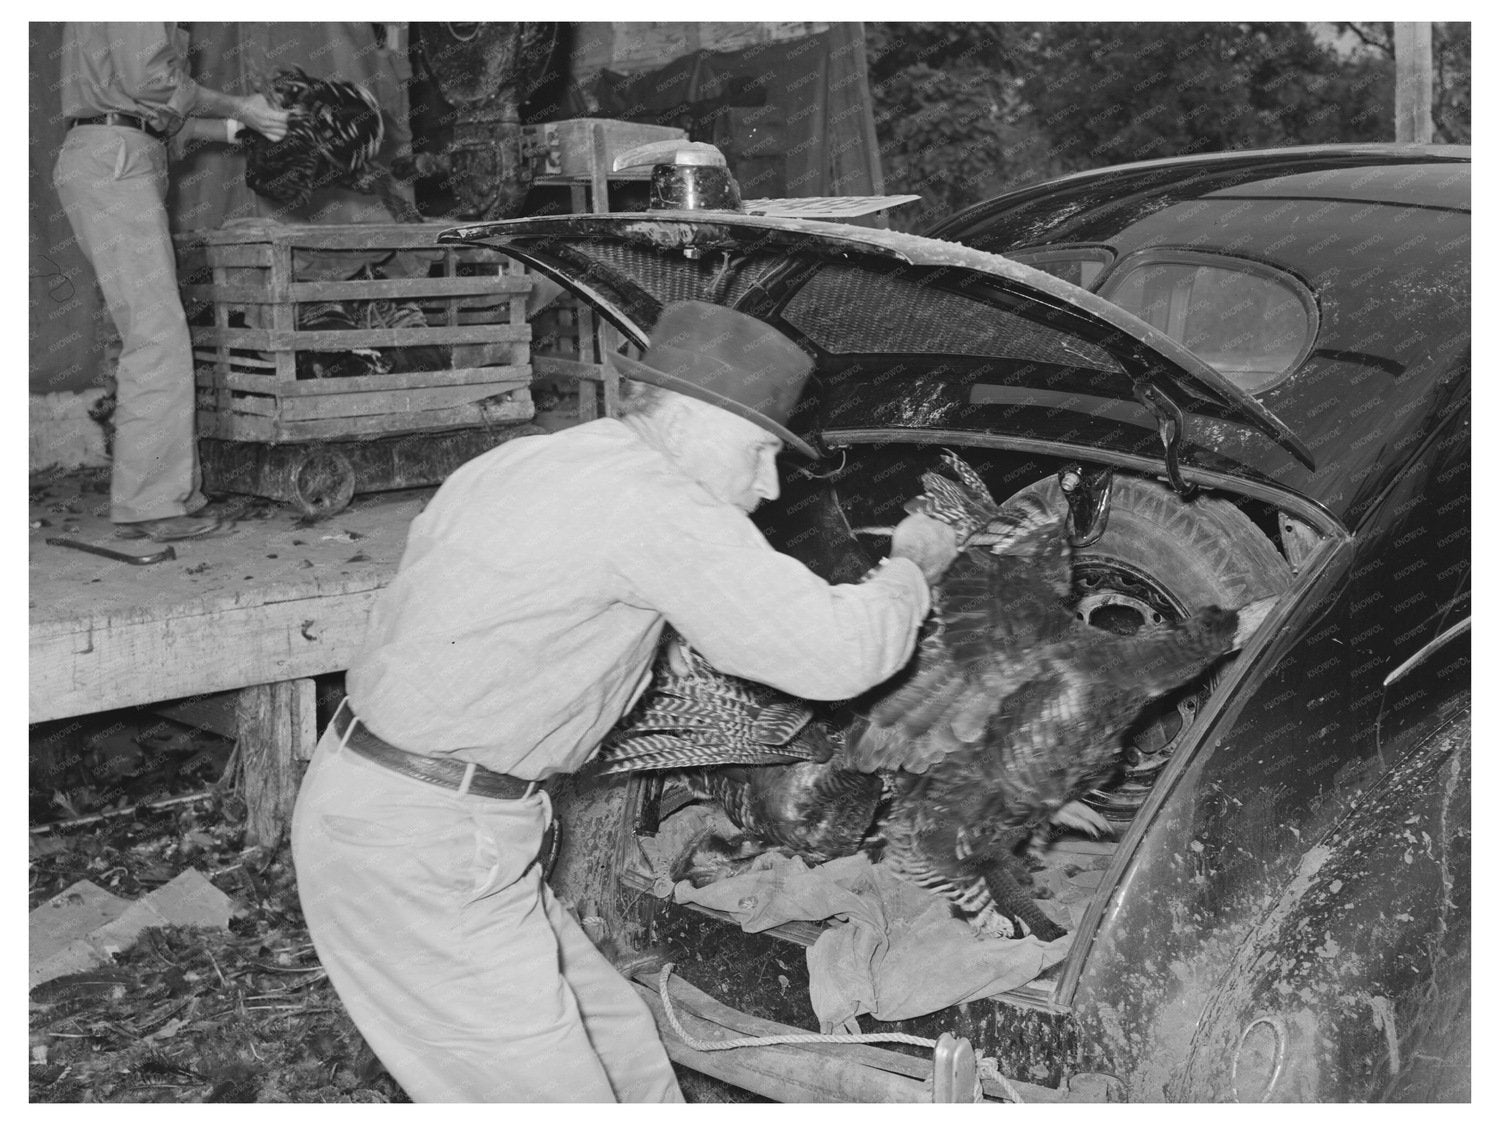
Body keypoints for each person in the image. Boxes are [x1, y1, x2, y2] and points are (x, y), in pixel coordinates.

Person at [290, 301, 961, 1102]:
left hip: (436, 813)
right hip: (422, 843)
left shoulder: (543, 461)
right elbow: (836, 653)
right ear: (693, 418)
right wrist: (912, 568)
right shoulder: (654, 501)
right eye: (759, 449)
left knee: (622, 1058)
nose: (769, 481)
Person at [53, 23, 289, 541]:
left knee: (154, 329)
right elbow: (151, 83)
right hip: (116, 159)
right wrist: (239, 107)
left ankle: (161, 497)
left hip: (121, 151)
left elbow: (155, 112)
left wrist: (241, 129)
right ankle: (151, 504)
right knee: (157, 333)